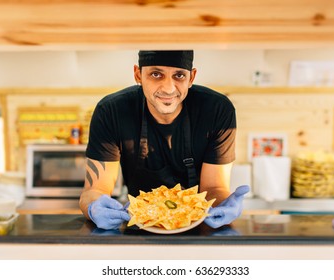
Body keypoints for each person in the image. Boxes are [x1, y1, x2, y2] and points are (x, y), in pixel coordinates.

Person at [79, 50, 249, 230]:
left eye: (179, 75)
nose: (168, 88)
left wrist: (224, 205)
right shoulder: (111, 111)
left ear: (191, 78)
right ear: (138, 75)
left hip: (199, 226)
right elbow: (94, 190)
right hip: (139, 226)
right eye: (156, 74)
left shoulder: (217, 110)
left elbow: (214, 188)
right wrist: (92, 208)